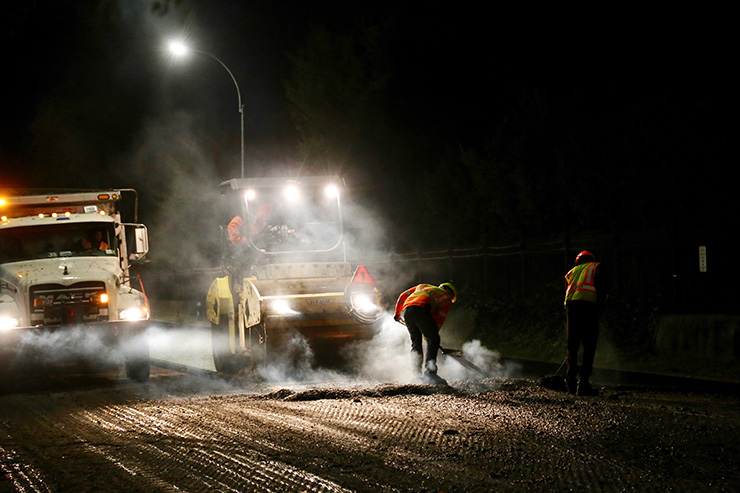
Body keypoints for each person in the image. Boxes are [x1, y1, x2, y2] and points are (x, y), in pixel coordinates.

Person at [394, 282, 457, 385]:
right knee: (434, 339)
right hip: (422, 310)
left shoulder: (423, 286)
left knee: (416, 344)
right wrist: (431, 337)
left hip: (408, 311)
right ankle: (430, 374)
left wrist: (397, 313)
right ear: (450, 292)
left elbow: (403, 295)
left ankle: (416, 375)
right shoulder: (445, 298)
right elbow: (439, 320)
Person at [564, 250, 606, 396]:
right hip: (589, 308)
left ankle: (570, 383)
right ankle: (583, 385)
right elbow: (602, 288)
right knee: (589, 347)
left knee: (572, 347)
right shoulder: (595, 267)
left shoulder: (571, 272)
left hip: (572, 309)